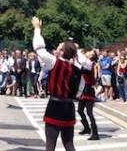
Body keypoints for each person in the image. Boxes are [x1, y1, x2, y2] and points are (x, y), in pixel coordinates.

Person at [32, 17, 83, 151]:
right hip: (69, 107)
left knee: (50, 145)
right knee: (69, 144)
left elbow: (39, 49)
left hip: (54, 106)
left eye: (60, 47)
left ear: (62, 51)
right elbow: (79, 91)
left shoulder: (54, 62)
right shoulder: (77, 69)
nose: (57, 48)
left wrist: (37, 29)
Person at [77, 48, 99, 141]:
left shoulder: (90, 63)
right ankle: (86, 128)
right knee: (80, 110)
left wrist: (76, 49)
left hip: (88, 90)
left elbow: (81, 58)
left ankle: (95, 133)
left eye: (90, 52)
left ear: (91, 56)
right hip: (83, 89)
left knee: (89, 112)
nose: (87, 52)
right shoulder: (87, 63)